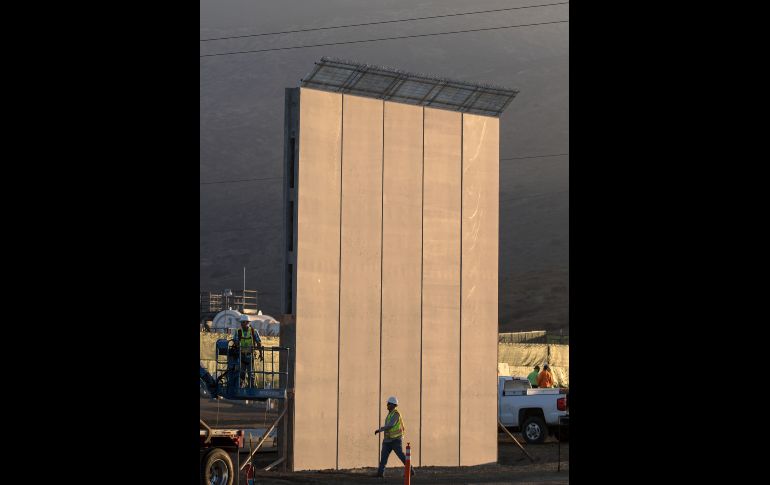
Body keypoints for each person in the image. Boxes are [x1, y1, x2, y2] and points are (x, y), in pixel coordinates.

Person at [374, 396, 415, 478]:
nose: (387, 405)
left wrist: (380, 429)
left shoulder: (396, 414)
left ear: (393, 405)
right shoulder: (390, 414)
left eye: (389, 404)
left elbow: (390, 425)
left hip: (395, 440)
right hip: (387, 441)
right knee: (383, 458)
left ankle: (410, 471)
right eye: (387, 403)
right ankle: (380, 473)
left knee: (402, 457)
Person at [233, 315, 264, 387]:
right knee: (241, 373)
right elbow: (235, 341)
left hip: (250, 356)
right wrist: (237, 344)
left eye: (243, 322)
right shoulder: (238, 332)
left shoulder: (253, 331)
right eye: (241, 322)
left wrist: (261, 354)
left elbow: (259, 342)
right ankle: (240, 387)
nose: (242, 324)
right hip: (241, 356)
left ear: (248, 322)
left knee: (251, 373)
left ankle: (251, 388)